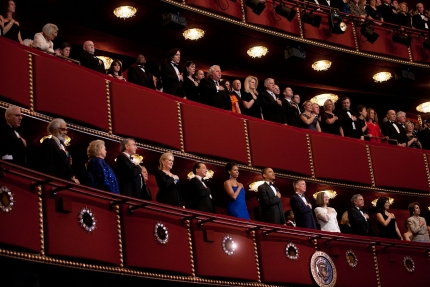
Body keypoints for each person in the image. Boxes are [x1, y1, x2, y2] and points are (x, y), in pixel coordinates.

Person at [39, 118, 79, 183]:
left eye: (66, 130)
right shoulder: (49, 142)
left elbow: (66, 166)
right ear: (55, 130)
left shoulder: (64, 146)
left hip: (66, 181)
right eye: (63, 129)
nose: (65, 132)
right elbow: (49, 166)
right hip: (57, 183)